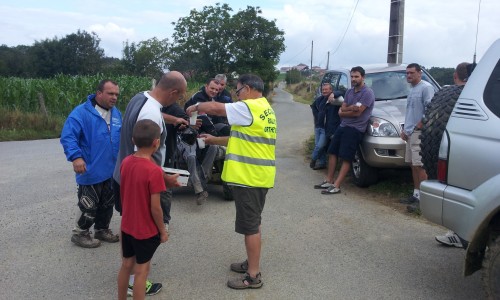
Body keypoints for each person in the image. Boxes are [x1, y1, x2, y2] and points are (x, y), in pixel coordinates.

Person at [186, 74, 277, 289]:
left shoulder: (248, 107)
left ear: (246, 88)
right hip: (259, 176)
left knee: (250, 226)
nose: (236, 96)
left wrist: (195, 106)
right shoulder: (265, 109)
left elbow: (217, 108)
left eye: (237, 91)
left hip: (249, 178)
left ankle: (253, 276)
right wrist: (212, 140)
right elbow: (239, 137)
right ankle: (251, 262)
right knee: (254, 222)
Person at [113, 71, 186, 296]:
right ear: (173, 92)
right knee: (142, 255)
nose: (179, 100)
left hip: (123, 178)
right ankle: (138, 283)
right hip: (143, 186)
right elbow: (147, 165)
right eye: (180, 96)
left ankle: (127, 285)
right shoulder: (152, 113)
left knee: (129, 230)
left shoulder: (140, 97)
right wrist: (166, 179)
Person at [60, 79, 122, 248]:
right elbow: (68, 136)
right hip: (90, 169)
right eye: (110, 93)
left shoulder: (116, 113)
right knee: (89, 203)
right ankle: (80, 233)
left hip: (111, 169)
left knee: (108, 203)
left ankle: (102, 229)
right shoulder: (81, 113)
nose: (114, 97)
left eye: (116, 94)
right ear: (99, 93)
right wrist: (76, 157)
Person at [117, 119, 168, 300]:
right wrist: (162, 230)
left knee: (126, 265)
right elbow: (155, 208)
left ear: (133, 140)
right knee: (141, 271)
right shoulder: (153, 171)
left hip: (127, 226)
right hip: (145, 230)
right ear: (157, 142)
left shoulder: (126, 162)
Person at [314, 66, 375, 194]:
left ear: (363, 77)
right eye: (352, 76)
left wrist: (346, 111)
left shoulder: (367, 93)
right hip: (343, 126)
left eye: (356, 76)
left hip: (355, 129)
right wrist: (349, 109)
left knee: (346, 157)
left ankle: (337, 185)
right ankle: (329, 180)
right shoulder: (349, 92)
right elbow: (342, 110)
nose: (353, 79)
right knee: (332, 152)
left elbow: (358, 113)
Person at [433, 62, 471, 248]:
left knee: (459, 190)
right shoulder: (478, 94)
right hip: (477, 146)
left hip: (458, 147)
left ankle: (459, 233)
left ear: (455, 75)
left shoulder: (453, 94)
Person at [162, 103, 219, 205]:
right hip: (184, 143)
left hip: (200, 142)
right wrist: (184, 126)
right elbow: (180, 131)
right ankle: (199, 189)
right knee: (191, 156)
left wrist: (204, 134)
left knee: (214, 147)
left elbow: (213, 133)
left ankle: (203, 178)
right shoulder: (180, 115)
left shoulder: (206, 119)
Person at [399, 63, 435, 212]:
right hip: (409, 132)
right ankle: (416, 194)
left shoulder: (426, 88)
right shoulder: (412, 89)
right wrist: (405, 129)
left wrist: (419, 125)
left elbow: (431, 108)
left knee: (419, 165)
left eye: (411, 73)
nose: (408, 76)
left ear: (420, 73)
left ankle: (425, 201)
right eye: (407, 73)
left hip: (419, 133)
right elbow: (411, 112)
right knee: (413, 164)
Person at [310, 83, 342, 170]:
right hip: (318, 127)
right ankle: (322, 163)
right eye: (323, 89)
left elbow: (342, 93)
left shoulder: (335, 99)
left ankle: (313, 158)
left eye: (326, 89)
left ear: (331, 90)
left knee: (320, 146)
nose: (324, 91)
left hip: (326, 128)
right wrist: (317, 116)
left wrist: (333, 94)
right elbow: (313, 106)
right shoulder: (320, 99)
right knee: (319, 146)